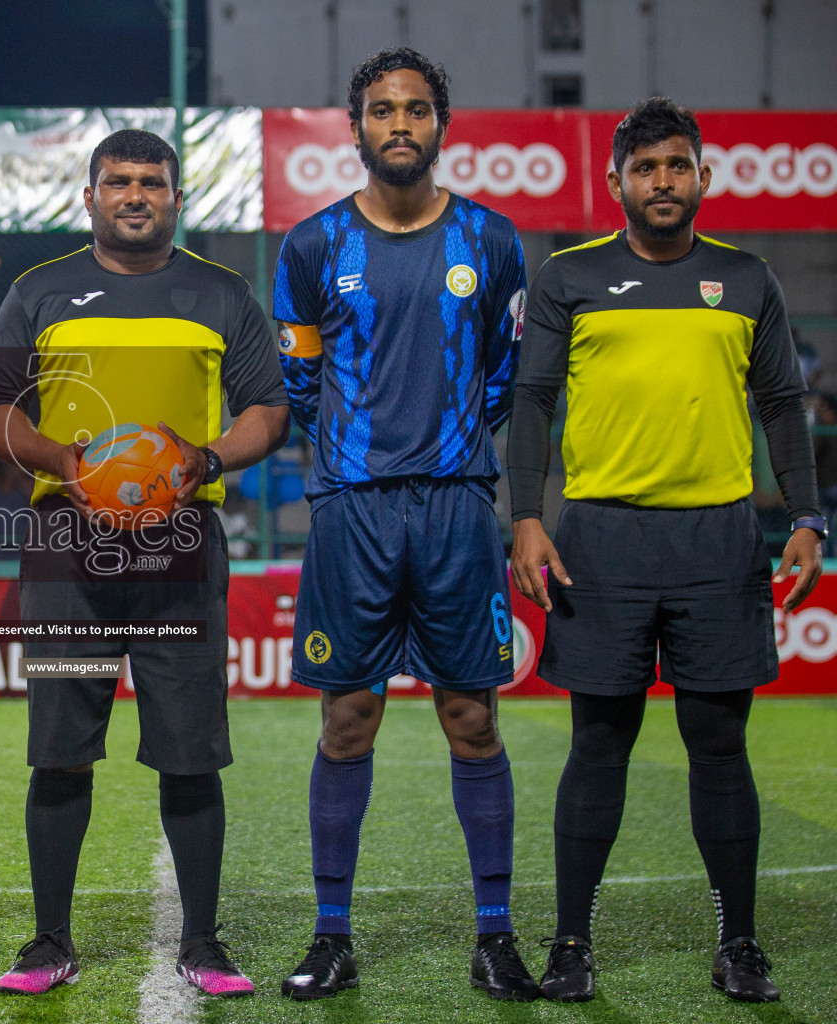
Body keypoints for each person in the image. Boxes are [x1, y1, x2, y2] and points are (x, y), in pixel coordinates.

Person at [508, 97, 824, 1004]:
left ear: (702, 178)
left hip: (718, 539)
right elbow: (530, 403)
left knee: (720, 746)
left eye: (676, 166)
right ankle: (572, 943)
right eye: (644, 168)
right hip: (600, 539)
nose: (662, 182)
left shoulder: (749, 278)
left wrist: (807, 516)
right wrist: (525, 516)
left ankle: (741, 943)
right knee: (597, 743)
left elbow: (782, 408)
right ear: (615, 183)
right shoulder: (569, 277)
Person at [0, 128, 291, 998]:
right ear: (89, 197)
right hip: (70, 556)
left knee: (191, 753)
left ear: (178, 198)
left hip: (180, 555)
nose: (136, 195)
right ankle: (48, 942)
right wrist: (62, 461)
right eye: (118, 181)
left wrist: (208, 459)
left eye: (153, 181)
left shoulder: (221, 292)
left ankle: (203, 941)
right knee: (61, 750)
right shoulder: (38, 291)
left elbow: (270, 409)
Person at [273, 48, 537, 1001]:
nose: (399, 125)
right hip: (353, 511)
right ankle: (332, 934)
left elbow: (506, 376)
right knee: (349, 718)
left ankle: (497, 936)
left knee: (473, 717)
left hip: (461, 505)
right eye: (381, 110)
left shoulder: (493, 241)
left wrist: (454, 440)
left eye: (416, 111)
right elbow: (300, 381)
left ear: (441, 126)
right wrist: (351, 456)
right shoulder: (309, 248)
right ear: (355, 128)